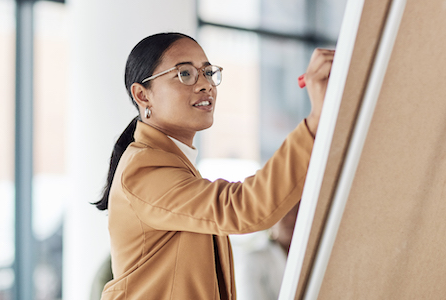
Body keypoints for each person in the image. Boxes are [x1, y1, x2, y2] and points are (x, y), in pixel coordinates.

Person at [93, 32, 334, 300]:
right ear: (142, 95)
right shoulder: (144, 169)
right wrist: (314, 124)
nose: (205, 84)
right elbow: (242, 208)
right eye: (185, 73)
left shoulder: (173, 164)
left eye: (208, 72)